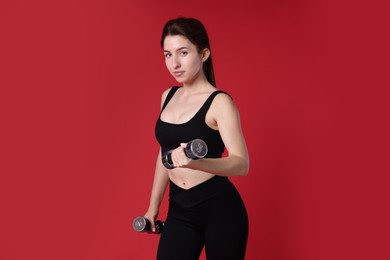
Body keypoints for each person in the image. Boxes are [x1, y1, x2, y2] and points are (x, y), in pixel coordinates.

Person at [144, 17, 249, 260]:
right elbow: (164, 156)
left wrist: (195, 162)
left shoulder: (220, 102)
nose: (174, 63)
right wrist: (153, 208)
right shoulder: (168, 96)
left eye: (183, 53)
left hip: (220, 211)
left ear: (203, 54)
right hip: (179, 210)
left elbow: (242, 163)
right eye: (168, 54)